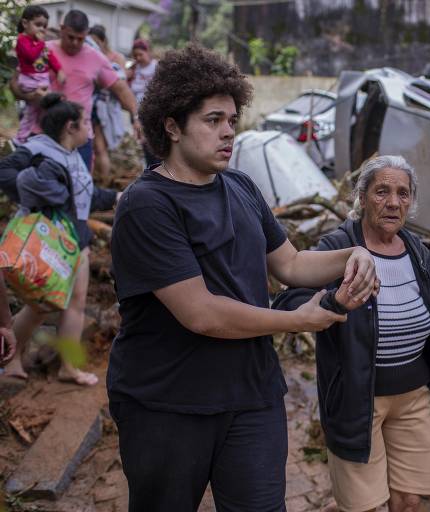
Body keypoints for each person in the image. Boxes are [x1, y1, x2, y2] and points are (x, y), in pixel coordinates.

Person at [107, 44, 377, 512]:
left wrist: (356, 252)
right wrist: (298, 320)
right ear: (171, 125)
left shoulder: (240, 186)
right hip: (168, 404)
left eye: (232, 119)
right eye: (212, 120)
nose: (228, 131)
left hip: (251, 395)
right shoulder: (147, 204)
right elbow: (202, 313)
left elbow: (291, 264)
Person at [273, 156, 430, 512]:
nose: (393, 202)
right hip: (359, 400)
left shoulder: (417, 250)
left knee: (408, 501)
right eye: (382, 192)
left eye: (403, 194)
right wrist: (336, 301)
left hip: (415, 396)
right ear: (361, 197)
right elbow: (289, 300)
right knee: (363, 506)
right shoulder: (337, 247)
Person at [0, 93, 121, 386]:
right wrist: (41, 190)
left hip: (75, 242)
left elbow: (84, 196)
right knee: (41, 306)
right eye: (85, 125)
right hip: (44, 243)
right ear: (70, 126)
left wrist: (117, 197)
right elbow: (5, 173)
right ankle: (11, 360)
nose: (90, 131)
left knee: (73, 304)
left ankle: (68, 367)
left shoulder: (73, 157)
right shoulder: (36, 150)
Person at [9, 9, 139, 171]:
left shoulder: (95, 58)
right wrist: (29, 95)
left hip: (79, 139)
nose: (75, 43)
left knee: (77, 192)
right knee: (39, 190)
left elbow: (121, 89)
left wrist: (136, 115)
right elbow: (15, 84)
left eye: (81, 39)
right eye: (71, 37)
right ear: (62, 29)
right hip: (42, 135)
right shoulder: (42, 50)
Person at [13, 5, 65, 144]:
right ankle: (20, 139)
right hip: (30, 79)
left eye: (44, 26)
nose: (42, 29)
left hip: (41, 79)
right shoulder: (22, 40)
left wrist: (59, 70)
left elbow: (50, 56)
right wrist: (41, 43)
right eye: (38, 25)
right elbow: (31, 56)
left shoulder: (39, 43)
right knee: (44, 105)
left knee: (33, 112)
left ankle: (27, 136)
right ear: (25, 23)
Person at [89, 25, 127, 181]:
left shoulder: (116, 58)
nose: (92, 45)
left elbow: (120, 84)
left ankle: (104, 182)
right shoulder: (90, 55)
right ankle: (99, 180)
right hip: (92, 105)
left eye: (95, 41)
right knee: (94, 147)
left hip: (107, 106)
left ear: (103, 41)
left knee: (100, 147)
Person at [127, 38, 160, 167]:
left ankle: (157, 170)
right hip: (137, 112)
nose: (138, 58)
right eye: (135, 55)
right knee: (144, 145)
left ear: (148, 52)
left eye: (141, 54)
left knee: (153, 144)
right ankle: (151, 170)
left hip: (153, 112)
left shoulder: (157, 67)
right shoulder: (134, 69)